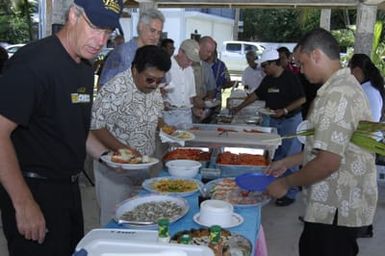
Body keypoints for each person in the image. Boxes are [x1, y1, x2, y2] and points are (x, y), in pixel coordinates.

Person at [0, 0, 122, 255]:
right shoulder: (33, 63)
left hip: (69, 189)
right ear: (73, 15)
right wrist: (23, 203)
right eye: (95, 27)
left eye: (108, 32)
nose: (101, 40)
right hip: (33, 189)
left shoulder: (85, 68)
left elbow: (72, 125)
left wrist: (107, 156)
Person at [266, 28, 377, 256]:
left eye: (303, 63)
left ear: (316, 55)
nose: (301, 70)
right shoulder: (339, 87)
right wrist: (288, 161)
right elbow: (329, 145)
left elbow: (328, 162)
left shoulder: (338, 96)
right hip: (332, 203)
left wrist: (286, 184)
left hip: (336, 204)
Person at [90, 45, 171, 225]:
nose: (155, 85)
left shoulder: (153, 87)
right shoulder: (115, 89)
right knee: (116, 219)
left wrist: (166, 128)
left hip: (142, 164)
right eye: (150, 80)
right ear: (135, 70)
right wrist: (125, 150)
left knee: (139, 215)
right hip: (114, 170)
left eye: (159, 80)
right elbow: (96, 127)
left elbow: (155, 114)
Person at [233, 48, 305, 206]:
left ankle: (290, 193)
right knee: (276, 155)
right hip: (274, 121)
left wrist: (285, 110)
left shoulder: (290, 78)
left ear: (274, 63)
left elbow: (302, 99)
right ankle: (277, 187)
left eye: (265, 65)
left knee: (290, 157)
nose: (263, 69)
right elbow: (256, 95)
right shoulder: (268, 79)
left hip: (291, 121)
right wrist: (238, 108)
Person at [99, 8, 164, 86]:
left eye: (159, 33)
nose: (156, 36)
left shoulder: (155, 56)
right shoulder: (121, 53)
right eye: (152, 31)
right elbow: (104, 86)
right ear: (141, 27)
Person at [163, 39, 199, 129]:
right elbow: (156, 91)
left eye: (192, 61)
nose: (190, 63)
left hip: (186, 117)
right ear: (180, 52)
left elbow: (191, 96)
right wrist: (164, 102)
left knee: (186, 141)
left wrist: (194, 109)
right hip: (169, 117)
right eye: (188, 59)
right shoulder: (166, 66)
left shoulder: (190, 70)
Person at [349, 53, 384, 122]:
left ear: (357, 71)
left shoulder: (364, 91)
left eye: (350, 71)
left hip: (365, 131)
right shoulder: (372, 89)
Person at [192, 36, 217, 123]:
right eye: (208, 51)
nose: (209, 55)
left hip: (199, 110)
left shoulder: (207, 67)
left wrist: (207, 104)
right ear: (199, 47)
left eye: (211, 53)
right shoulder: (187, 63)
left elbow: (211, 90)